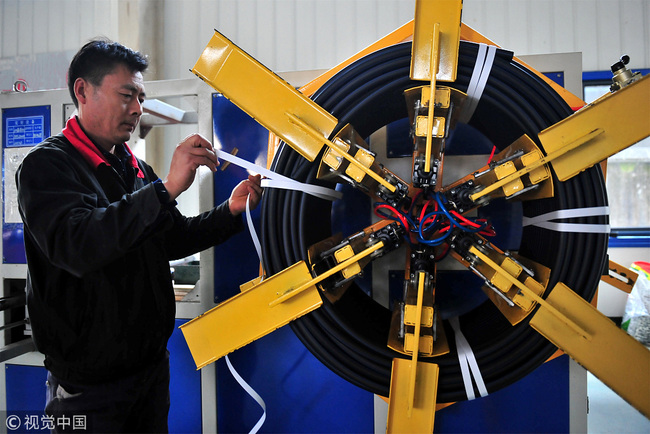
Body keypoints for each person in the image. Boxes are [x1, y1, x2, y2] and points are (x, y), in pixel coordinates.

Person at [16, 38, 262, 433]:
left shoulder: (135, 168)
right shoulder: (47, 167)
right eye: (126, 95)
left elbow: (173, 239)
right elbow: (78, 245)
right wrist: (164, 190)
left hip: (148, 372)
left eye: (140, 97)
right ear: (83, 91)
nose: (136, 109)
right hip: (88, 389)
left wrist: (231, 211)